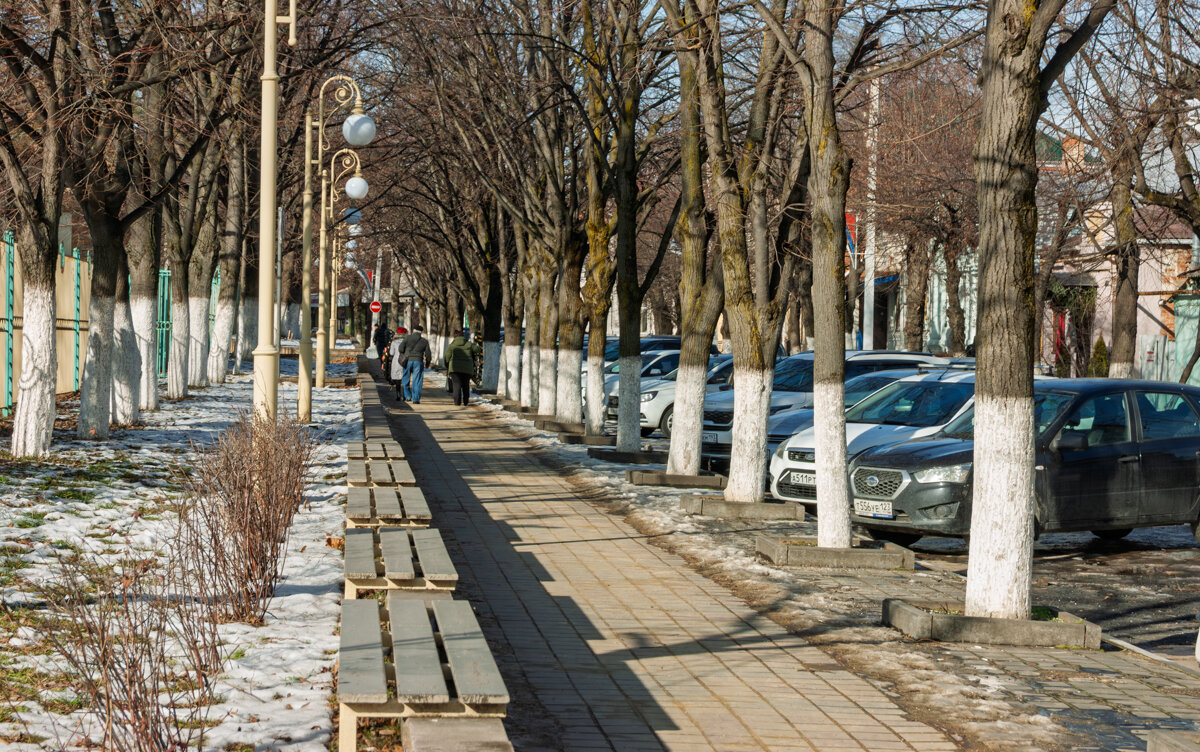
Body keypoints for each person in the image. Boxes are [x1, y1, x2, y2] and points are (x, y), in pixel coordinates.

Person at [445, 329, 482, 406]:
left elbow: (447, 357)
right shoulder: (469, 344)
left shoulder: (451, 346)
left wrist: (447, 366)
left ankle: (457, 401)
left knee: (456, 385)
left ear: (455, 337)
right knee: (466, 384)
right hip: (467, 369)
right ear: (463, 336)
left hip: (454, 368)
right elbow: (477, 349)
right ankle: (466, 401)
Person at [398, 325, 432, 403]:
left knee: (406, 378)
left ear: (414, 330)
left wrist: (404, 354)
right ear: (420, 332)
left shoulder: (407, 338)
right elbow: (428, 354)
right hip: (418, 361)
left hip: (407, 361)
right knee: (417, 380)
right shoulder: (424, 341)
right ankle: (416, 399)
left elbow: (400, 348)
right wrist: (427, 363)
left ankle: (407, 396)